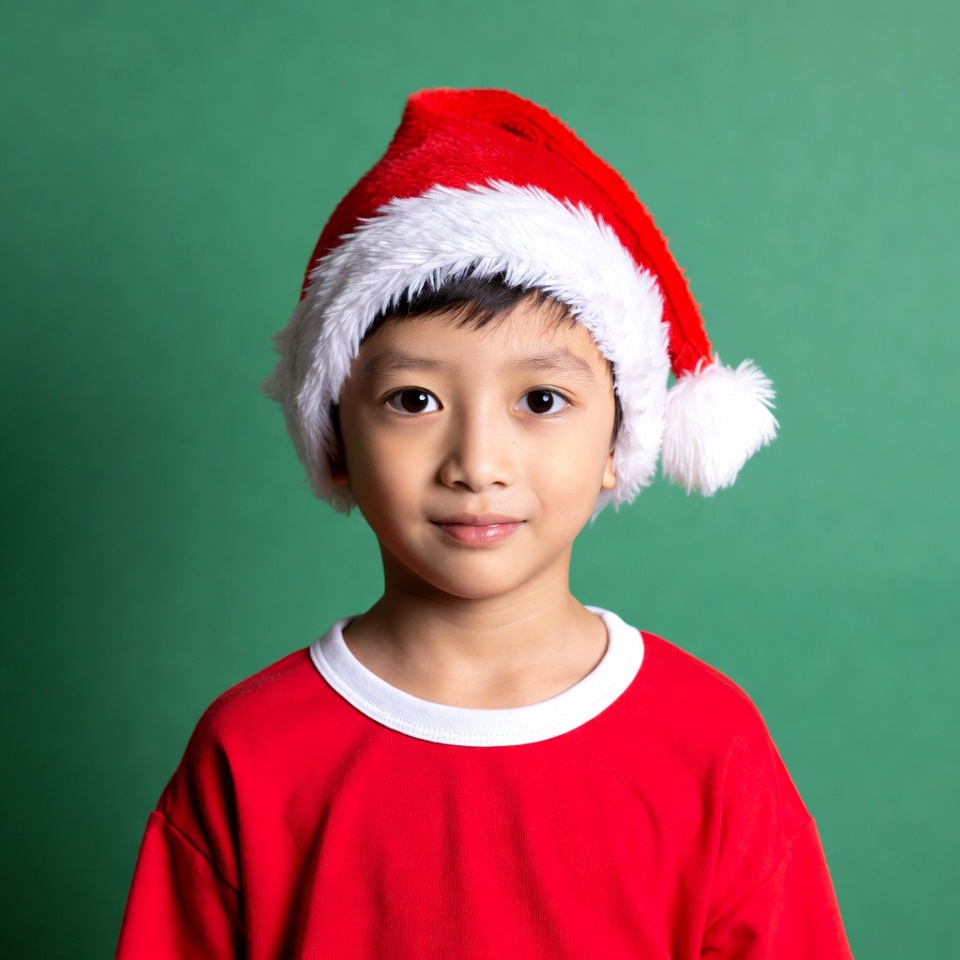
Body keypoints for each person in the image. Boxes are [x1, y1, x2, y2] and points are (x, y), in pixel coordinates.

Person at [115, 88, 853, 958]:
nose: (477, 462)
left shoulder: (709, 744)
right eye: (413, 399)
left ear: (622, 436)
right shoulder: (249, 752)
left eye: (541, 400)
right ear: (334, 438)